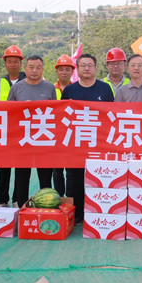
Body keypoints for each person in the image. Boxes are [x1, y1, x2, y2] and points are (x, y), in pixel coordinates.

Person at [61, 53, 115, 224]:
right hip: (75, 143)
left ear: (95, 68)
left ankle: (96, 212)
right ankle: (76, 214)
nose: (86, 68)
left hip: (99, 143)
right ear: (77, 68)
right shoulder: (70, 90)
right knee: (74, 179)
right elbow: (62, 115)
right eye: (83, 65)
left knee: (97, 177)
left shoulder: (105, 89)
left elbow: (112, 115)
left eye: (90, 65)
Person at [7, 55, 57, 208]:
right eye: (31, 67)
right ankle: (21, 207)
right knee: (22, 177)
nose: (34, 70)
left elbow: (55, 112)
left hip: (43, 139)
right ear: (25, 69)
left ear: (42, 69)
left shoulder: (49, 88)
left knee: (45, 177)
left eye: (38, 67)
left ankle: (46, 207)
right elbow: (9, 112)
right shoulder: (17, 88)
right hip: (23, 139)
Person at [0, 44, 27, 207]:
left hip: (23, 130)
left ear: (21, 63)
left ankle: (17, 199)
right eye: (9, 61)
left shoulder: (29, 80)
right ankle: (2, 199)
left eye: (16, 61)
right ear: (5, 63)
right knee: (3, 166)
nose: (12, 64)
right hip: (4, 130)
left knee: (21, 167)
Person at [52, 54, 76, 196]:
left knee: (71, 171)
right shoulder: (50, 89)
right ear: (56, 71)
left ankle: (70, 199)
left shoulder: (76, 89)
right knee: (57, 170)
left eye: (67, 69)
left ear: (72, 71)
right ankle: (59, 197)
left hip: (72, 134)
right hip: (55, 134)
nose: (64, 72)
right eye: (61, 69)